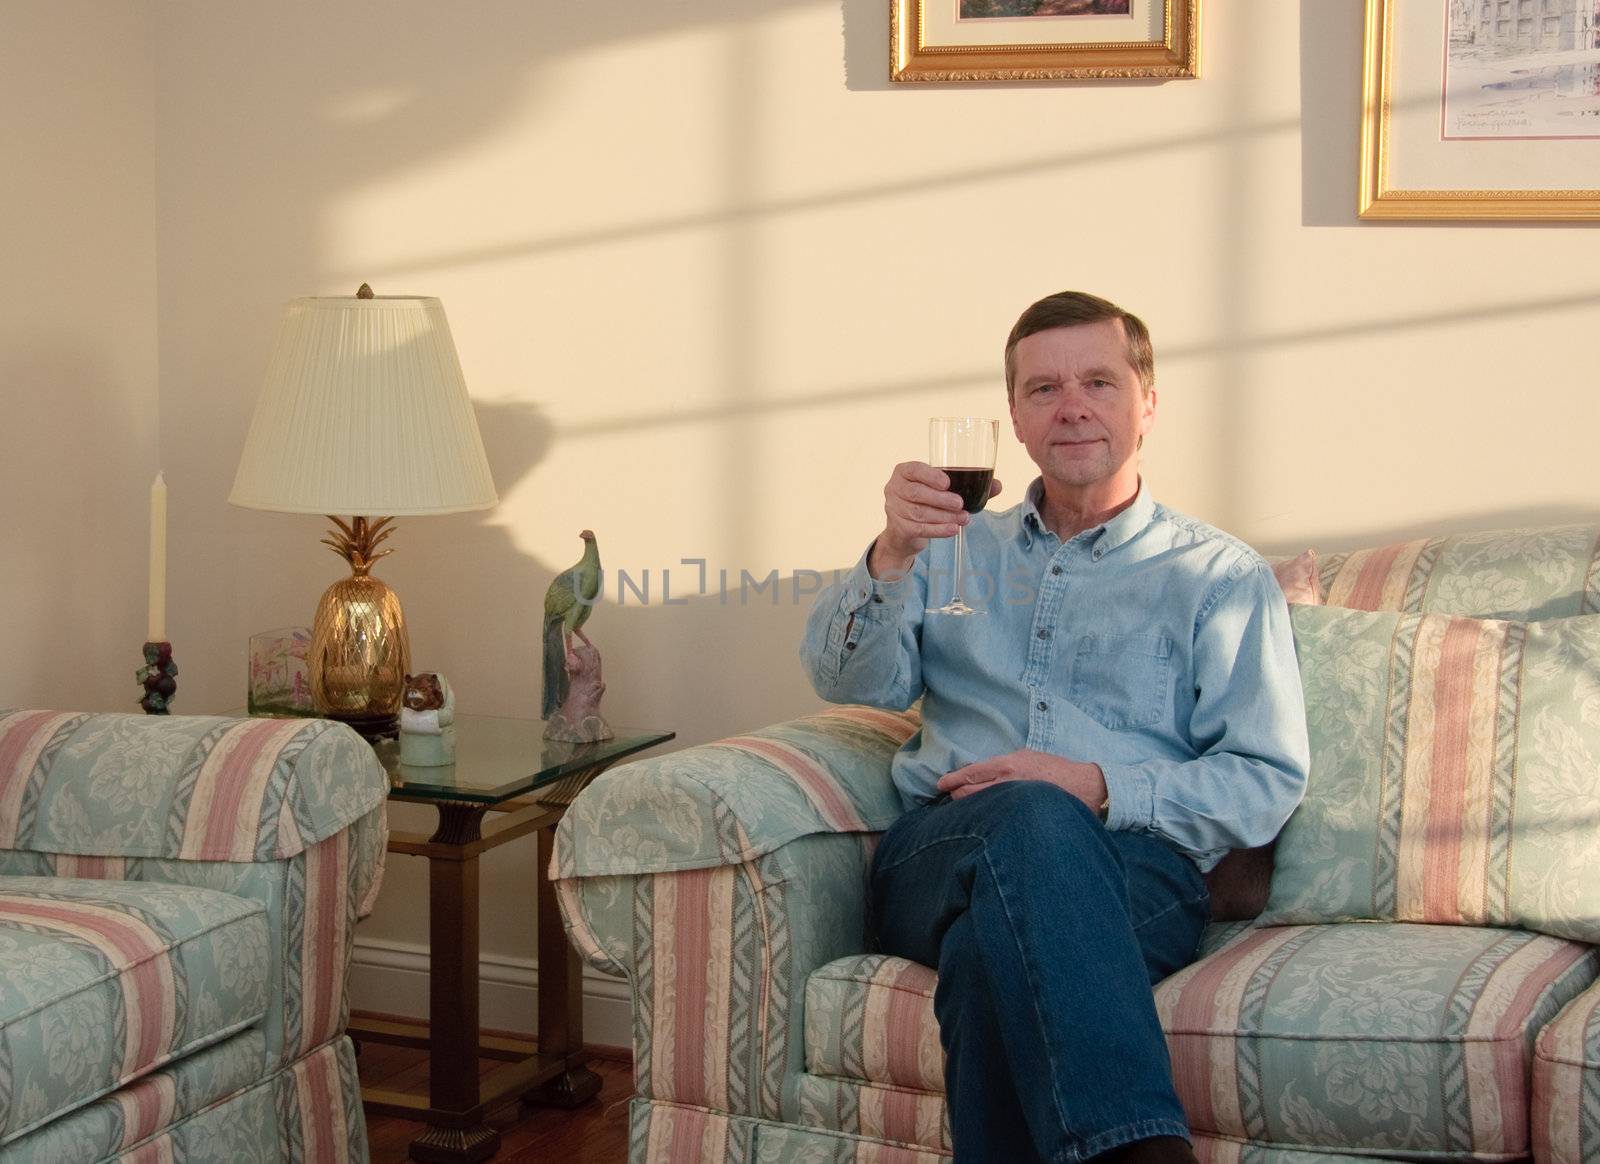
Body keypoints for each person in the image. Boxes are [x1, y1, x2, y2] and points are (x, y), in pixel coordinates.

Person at [799, 291, 1309, 1164]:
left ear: (1147, 404)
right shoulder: (949, 548)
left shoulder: (1219, 577)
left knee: (987, 955)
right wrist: (891, 552)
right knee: (1027, 819)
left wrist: (1098, 786)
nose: (1071, 405)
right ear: (1016, 421)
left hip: (1139, 863)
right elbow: (847, 682)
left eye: (1099, 381)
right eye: (1043, 389)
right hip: (942, 848)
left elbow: (1265, 777)